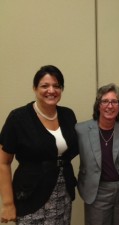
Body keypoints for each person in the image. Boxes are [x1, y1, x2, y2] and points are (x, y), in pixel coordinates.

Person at [0, 65, 79, 224]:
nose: (51, 90)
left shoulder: (68, 115)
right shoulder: (18, 118)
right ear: (35, 88)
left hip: (63, 195)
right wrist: (8, 204)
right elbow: (3, 162)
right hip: (31, 195)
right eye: (45, 86)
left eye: (57, 86)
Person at [75, 83, 119, 225]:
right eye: (105, 101)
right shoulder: (81, 130)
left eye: (114, 101)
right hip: (96, 191)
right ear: (98, 105)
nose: (110, 106)